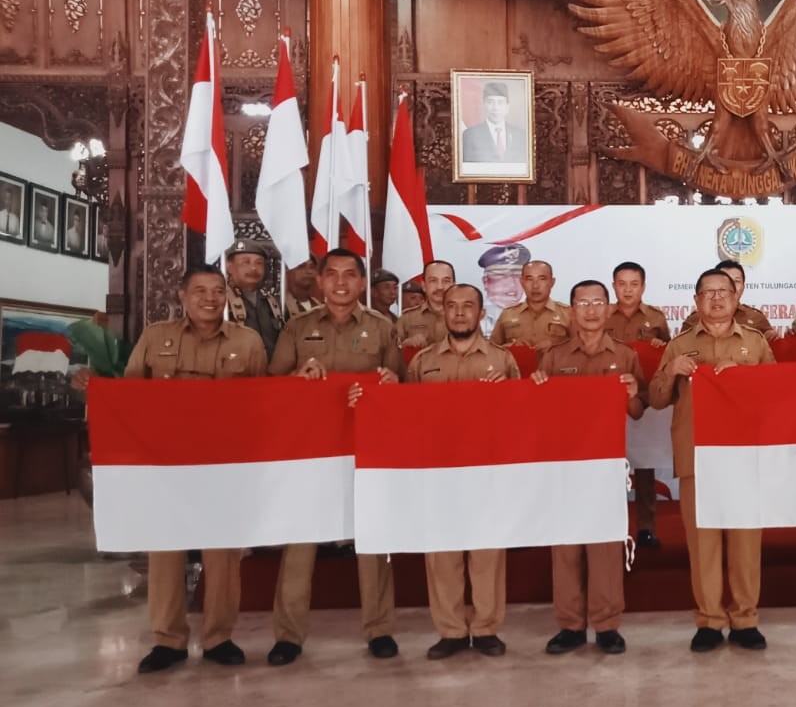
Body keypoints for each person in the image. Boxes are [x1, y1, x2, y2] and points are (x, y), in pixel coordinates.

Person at [123, 266, 269, 674]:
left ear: (227, 296)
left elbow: (264, 404)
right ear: (182, 295)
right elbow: (129, 398)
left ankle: (219, 637)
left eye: (218, 291)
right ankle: (167, 640)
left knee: (222, 556)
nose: (210, 298)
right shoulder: (156, 337)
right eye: (200, 291)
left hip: (225, 467)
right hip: (168, 467)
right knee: (166, 553)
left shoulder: (249, 341)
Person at [266, 248, 404, 666]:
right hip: (311, 454)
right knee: (300, 543)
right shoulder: (297, 327)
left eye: (350, 275)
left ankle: (379, 630)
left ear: (362, 284)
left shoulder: (383, 329)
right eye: (332, 275)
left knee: (371, 540)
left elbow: (397, 387)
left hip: (365, 452)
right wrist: (297, 381)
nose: (341, 282)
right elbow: (273, 389)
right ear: (321, 282)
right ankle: (288, 635)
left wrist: (391, 381)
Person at [649, 268, 776, 652]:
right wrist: (671, 371)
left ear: (736, 297)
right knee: (702, 544)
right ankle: (709, 620)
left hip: (743, 457)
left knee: (744, 543)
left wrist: (747, 379)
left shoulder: (754, 344)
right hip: (696, 458)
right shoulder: (679, 345)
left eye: (724, 292)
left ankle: (745, 619)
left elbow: (777, 395)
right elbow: (655, 398)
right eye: (709, 293)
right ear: (696, 301)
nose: (717, 299)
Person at [407, 283, 521, 659]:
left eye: (467, 306)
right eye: (452, 306)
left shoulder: (501, 360)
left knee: (487, 555)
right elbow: (403, 415)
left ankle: (487, 628)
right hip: (438, 474)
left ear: (481, 313)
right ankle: (451, 631)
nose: (459, 313)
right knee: (443, 556)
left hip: (486, 472)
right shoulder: (423, 362)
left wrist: (507, 396)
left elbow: (521, 416)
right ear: (443, 311)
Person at [534, 280, 647, 655]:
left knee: (604, 546)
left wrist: (631, 393)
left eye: (598, 302)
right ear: (571, 311)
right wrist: (535, 386)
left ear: (607, 307)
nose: (592, 309)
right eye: (583, 303)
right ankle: (569, 625)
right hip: (563, 465)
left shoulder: (625, 355)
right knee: (565, 546)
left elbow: (638, 410)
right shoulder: (554, 357)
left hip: (606, 465)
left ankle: (607, 625)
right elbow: (537, 411)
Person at [604, 260, 670, 547]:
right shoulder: (602, 316)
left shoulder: (655, 318)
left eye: (634, 284)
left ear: (643, 286)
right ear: (614, 285)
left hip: (641, 397)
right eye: (622, 283)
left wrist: (659, 347)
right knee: (609, 466)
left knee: (645, 465)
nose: (628, 290)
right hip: (605, 402)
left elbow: (668, 356)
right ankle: (612, 527)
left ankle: (646, 527)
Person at [679, 260, 775, 340]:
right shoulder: (694, 320)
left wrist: (773, 337)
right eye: (726, 281)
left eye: (737, 281)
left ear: (743, 286)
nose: (732, 286)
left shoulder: (756, 318)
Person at [224, 237, 286, 359]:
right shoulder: (222, 302)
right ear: (230, 267)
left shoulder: (273, 303)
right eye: (245, 262)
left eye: (258, 263)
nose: (253, 268)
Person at [489, 259, 570, 348]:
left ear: (552, 282)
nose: (535, 286)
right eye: (529, 279)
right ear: (522, 282)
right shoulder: (507, 314)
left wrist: (556, 345)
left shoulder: (568, 314)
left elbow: (580, 349)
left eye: (542, 279)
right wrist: (509, 347)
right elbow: (492, 350)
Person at [460, 80, 528, 164]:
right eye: (490, 102)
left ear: (507, 107)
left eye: (500, 102)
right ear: (484, 105)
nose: (495, 108)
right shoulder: (470, 135)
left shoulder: (521, 135)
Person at [396, 259, 454, 348]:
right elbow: (393, 354)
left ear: (453, 285)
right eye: (433, 280)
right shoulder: (406, 319)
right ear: (423, 285)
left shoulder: (464, 317)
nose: (440, 287)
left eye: (446, 281)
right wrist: (406, 345)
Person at [479, 243, 531, 313]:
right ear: (486, 282)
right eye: (502, 275)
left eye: (517, 275)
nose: (512, 284)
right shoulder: (475, 317)